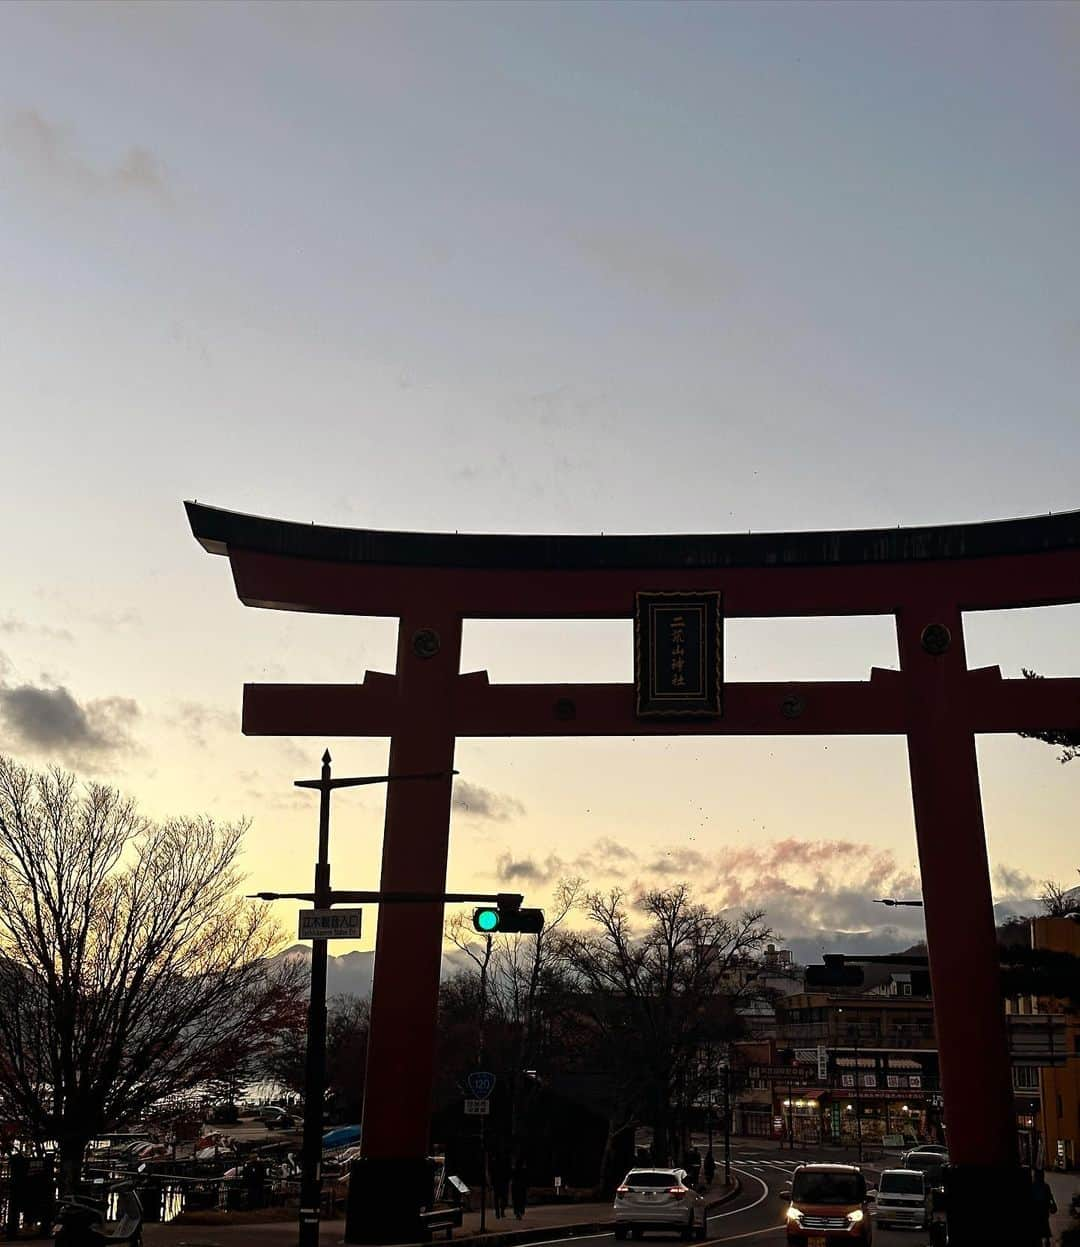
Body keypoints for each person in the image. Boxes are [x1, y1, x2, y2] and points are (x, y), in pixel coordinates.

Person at [1029, 1169, 1057, 1247]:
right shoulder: (1044, 1186)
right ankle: (1046, 1240)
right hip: (1043, 1209)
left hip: (1038, 1209)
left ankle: (1043, 1240)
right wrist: (1053, 1204)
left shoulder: (1033, 1186)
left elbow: (1050, 1196)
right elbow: (1050, 1196)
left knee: (1040, 1226)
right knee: (1044, 1225)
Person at [492, 1152, 510, 1220]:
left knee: (498, 1199)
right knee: (502, 1198)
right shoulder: (503, 1164)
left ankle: (499, 1213)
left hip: (499, 1183)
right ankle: (500, 1212)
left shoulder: (496, 1164)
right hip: (501, 1183)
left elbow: (493, 1174)